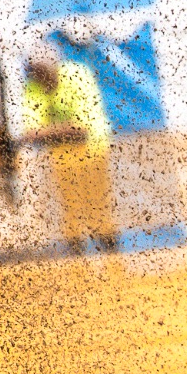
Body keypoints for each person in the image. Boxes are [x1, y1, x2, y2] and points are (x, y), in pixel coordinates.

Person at [16, 43, 116, 253]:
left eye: (38, 70)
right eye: (32, 71)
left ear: (52, 66)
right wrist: (61, 131)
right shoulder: (33, 86)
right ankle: (76, 252)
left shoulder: (76, 74)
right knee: (69, 205)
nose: (35, 76)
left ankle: (109, 248)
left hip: (93, 146)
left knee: (97, 201)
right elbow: (31, 130)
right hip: (61, 152)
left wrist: (48, 132)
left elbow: (82, 129)